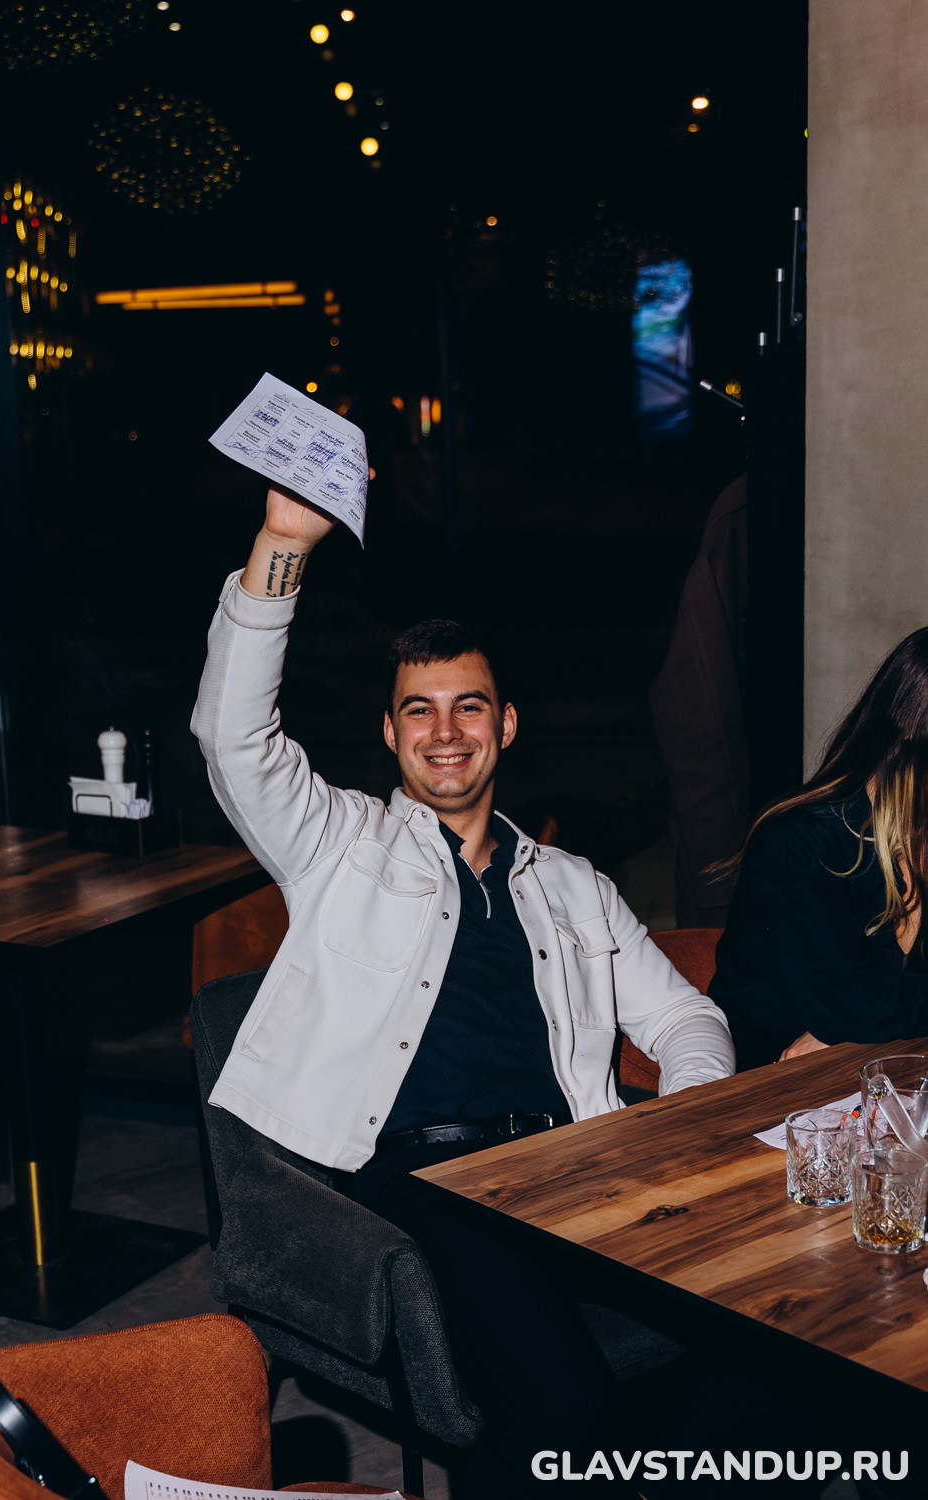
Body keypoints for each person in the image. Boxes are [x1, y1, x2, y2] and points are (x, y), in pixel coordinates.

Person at [192, 483, 735, 1497]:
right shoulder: (337, 844)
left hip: (567, 1166)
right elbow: (232, 741)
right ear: (391, 734)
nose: (445, 731)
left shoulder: (571, 884)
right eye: (419, 711)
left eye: (468, 706)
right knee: (561, 1401)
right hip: (426, 1181)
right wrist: (281, 544)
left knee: (765, 1343)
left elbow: (682, 1014)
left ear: (506, 724)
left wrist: (682, 1116)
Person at [710, 626, 928, 1071]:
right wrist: (855, 1026)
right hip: (774, 1080)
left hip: (888, 1065)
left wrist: (857, 1027)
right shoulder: (798, 843)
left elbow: (865, 1015)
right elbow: (858, 1010)